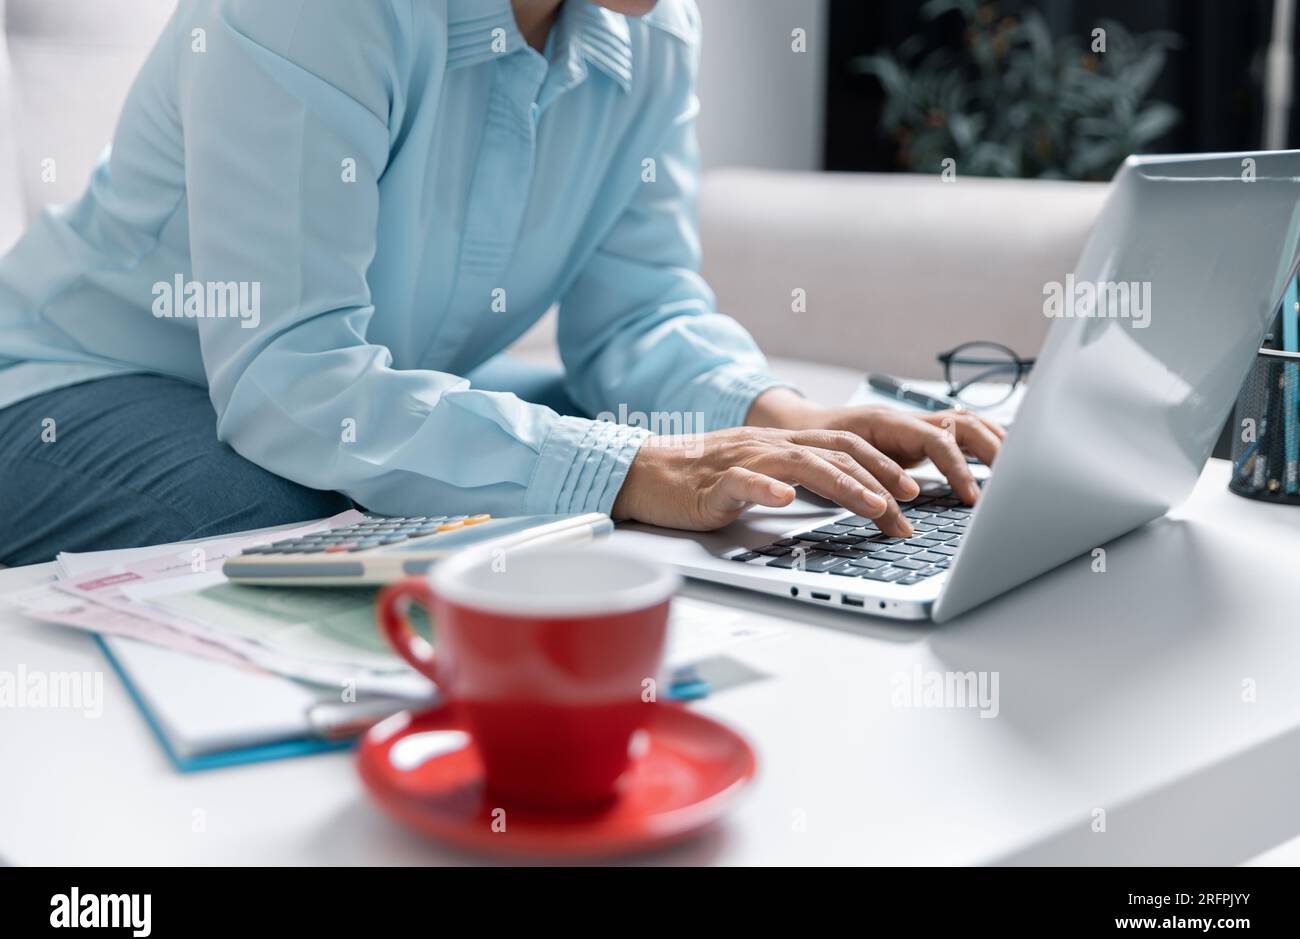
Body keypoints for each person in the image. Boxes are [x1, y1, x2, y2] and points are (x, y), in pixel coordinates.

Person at [0, 0, 1002, 566]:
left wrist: (783, 419)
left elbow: (638, 314)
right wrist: (629, 470)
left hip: (317, 390)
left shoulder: (653, 35)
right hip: (64, 390)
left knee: (625, 449)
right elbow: (289, 382)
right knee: (309, 521)